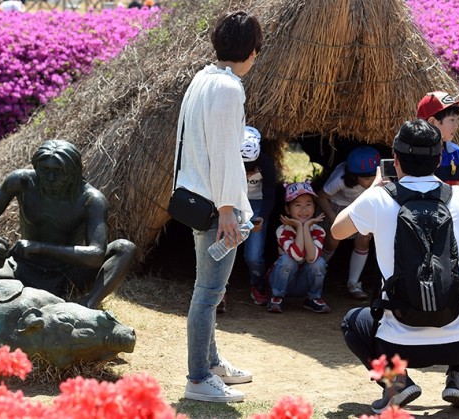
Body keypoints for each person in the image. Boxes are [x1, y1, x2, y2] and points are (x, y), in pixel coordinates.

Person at [333, 119, 459, 413]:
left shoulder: (379, 198)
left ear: (396, 158)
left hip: (397, 345)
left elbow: (337, 231)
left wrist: (377, 188)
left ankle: (397, 383)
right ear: (440, 158)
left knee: (353, 322)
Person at [175, 10, 261, 403]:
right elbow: (226, 154)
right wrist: (228, 209)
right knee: (209, 292)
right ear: (252, 51)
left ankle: (209, 363)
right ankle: (198, 378)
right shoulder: (229, 88)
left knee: (206, 289)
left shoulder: (204, 78)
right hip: (215, 205)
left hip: (197, 195)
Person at [0, 139, 136, 309]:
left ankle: (87, 304)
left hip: (67, 276)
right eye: (45, 170)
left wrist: (40, 247)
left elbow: (96, 255)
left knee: (124, 248)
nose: (50, 178)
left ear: (73, 172)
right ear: (36, 167)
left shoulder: (91, 200)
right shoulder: (21, 181)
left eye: (58, 172)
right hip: (21, 268)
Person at [317, 146, 381, 300]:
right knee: (332, 241)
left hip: (361, 207)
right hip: (336, 206)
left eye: (373, 177)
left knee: (364, 239)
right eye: (366, 178)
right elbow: (321, 196)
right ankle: (315, 274)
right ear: (353, 176)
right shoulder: (340, 179)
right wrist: (334, 220)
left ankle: (353, 283)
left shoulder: (379, 181)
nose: (371, 181)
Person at [267, 181, 330, 314]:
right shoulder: (282, 230)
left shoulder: (318, 230)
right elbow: (297, 255)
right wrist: (300, 226)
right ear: (288, 209)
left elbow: (312, 258)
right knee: (287, 260)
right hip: (283, 281)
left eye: (308, 204)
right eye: (297, 205)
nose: (303, 210)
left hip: (303, 283)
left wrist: (305, 227)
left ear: (314, 207)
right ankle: (277, 297)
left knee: (320, 262)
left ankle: (313, 298)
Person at [241, 126, 277, 305]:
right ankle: (219, 287)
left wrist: (262, 216)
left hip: (256, 204)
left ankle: (258, 283)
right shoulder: (225, 161)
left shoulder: (266, 164)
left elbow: (270, 193)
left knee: (254, 255)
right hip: (232, 202)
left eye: (251, 167)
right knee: (224, 248)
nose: (248, 171)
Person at [416, 91, 459, 186]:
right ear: (432, 122)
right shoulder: (412, 154)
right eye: (452, 120)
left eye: (457, 120)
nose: (456, 126)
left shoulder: (455, 153)